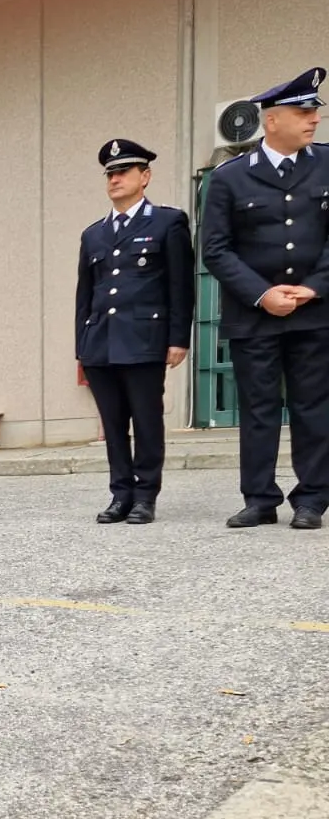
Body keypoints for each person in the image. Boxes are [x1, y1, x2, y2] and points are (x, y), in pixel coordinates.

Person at [203, 66, 329, 530]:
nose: (313, 119)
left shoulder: (328, 163)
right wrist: (261, 294)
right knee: (257, 410)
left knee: (313, 407)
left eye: (315, 111)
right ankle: (259, 499)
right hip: (255, 315)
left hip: (314, 312)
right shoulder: (230, 178)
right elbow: (214, 249)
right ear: (272, 120)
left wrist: (315, 287)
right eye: (302, 112)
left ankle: (312, 498)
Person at [75, 139, 195, 524]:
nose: (115, 179)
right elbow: (85, 294)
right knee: (112, 425)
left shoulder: (166, 222)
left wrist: (179, 338)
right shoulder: (93, 234)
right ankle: (120, 494)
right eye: (110, 173)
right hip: (101, 343)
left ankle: (145, 495)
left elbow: (180, 286)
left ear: (145, 176)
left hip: (144, 340)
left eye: (123, 172)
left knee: (145, 421)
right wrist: (82, 344)